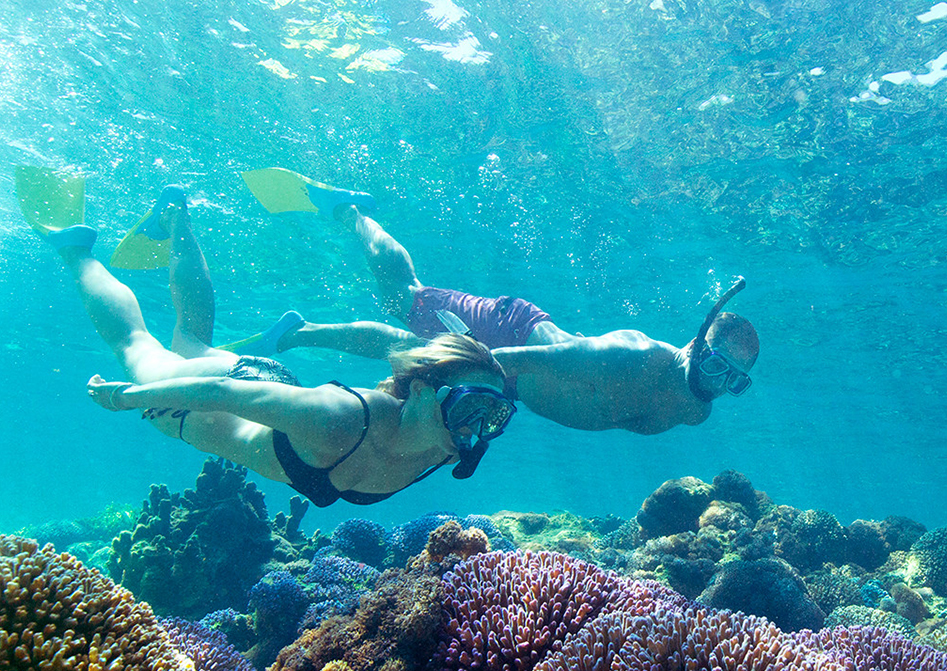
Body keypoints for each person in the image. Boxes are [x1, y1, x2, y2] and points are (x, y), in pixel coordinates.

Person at [39, 187, 516, 506]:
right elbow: (219, 395)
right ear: (421, 392)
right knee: (136, 345)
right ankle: (75, 249)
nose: (478, 429)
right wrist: (126, 398)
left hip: (271, 388)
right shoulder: (340, 417)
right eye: (473, 407)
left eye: (494, 416)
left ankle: (174, 215)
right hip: (198, 405)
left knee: (190, 338)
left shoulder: (443, 447)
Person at [257, 204, 760, 435]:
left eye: (734, 382)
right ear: (696, 345)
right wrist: (459, 363)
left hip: (516, 380)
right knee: (403, 302)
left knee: (409, 336)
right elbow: (529, 356)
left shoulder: (696, 411)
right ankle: (353, 214)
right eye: (718, 368)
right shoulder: (635, 356)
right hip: (511, 338)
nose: (719, 386)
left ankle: (298, 330)